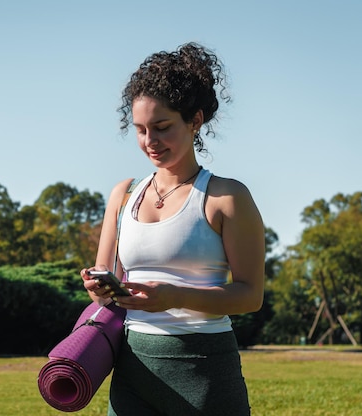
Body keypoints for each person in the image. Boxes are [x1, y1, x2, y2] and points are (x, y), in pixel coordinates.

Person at [80, 42, 264, 416]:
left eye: (162, 128)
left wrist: (175, 296)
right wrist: (99, 286)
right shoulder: (124, 194)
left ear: (194, 120)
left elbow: (250, 296)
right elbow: (104, 298)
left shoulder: (226, 197)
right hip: (132, 368)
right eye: (141, 130)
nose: (151, 142)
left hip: (206, 370)